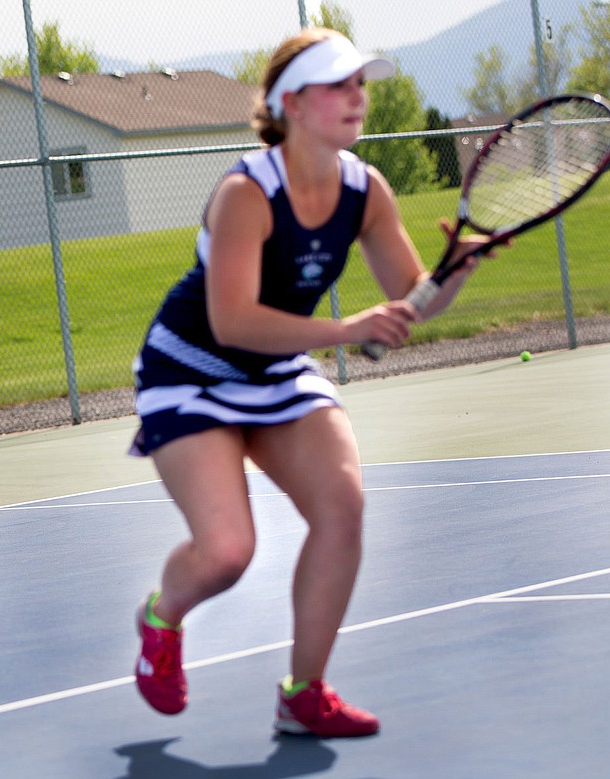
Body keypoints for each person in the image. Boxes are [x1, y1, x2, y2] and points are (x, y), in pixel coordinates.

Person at [129, 28, 501, 738]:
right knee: (227, 553)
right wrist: (345, 330)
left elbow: (408, 298)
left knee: (343, 507)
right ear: (291, 103)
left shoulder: (366, 189)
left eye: (361, 82)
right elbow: (232, 321)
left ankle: (304, 693)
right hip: (190, 369)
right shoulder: (247, 192)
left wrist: (452, 274)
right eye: (339, 84)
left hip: (278, 369)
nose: (357, 96)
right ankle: (161, 617)